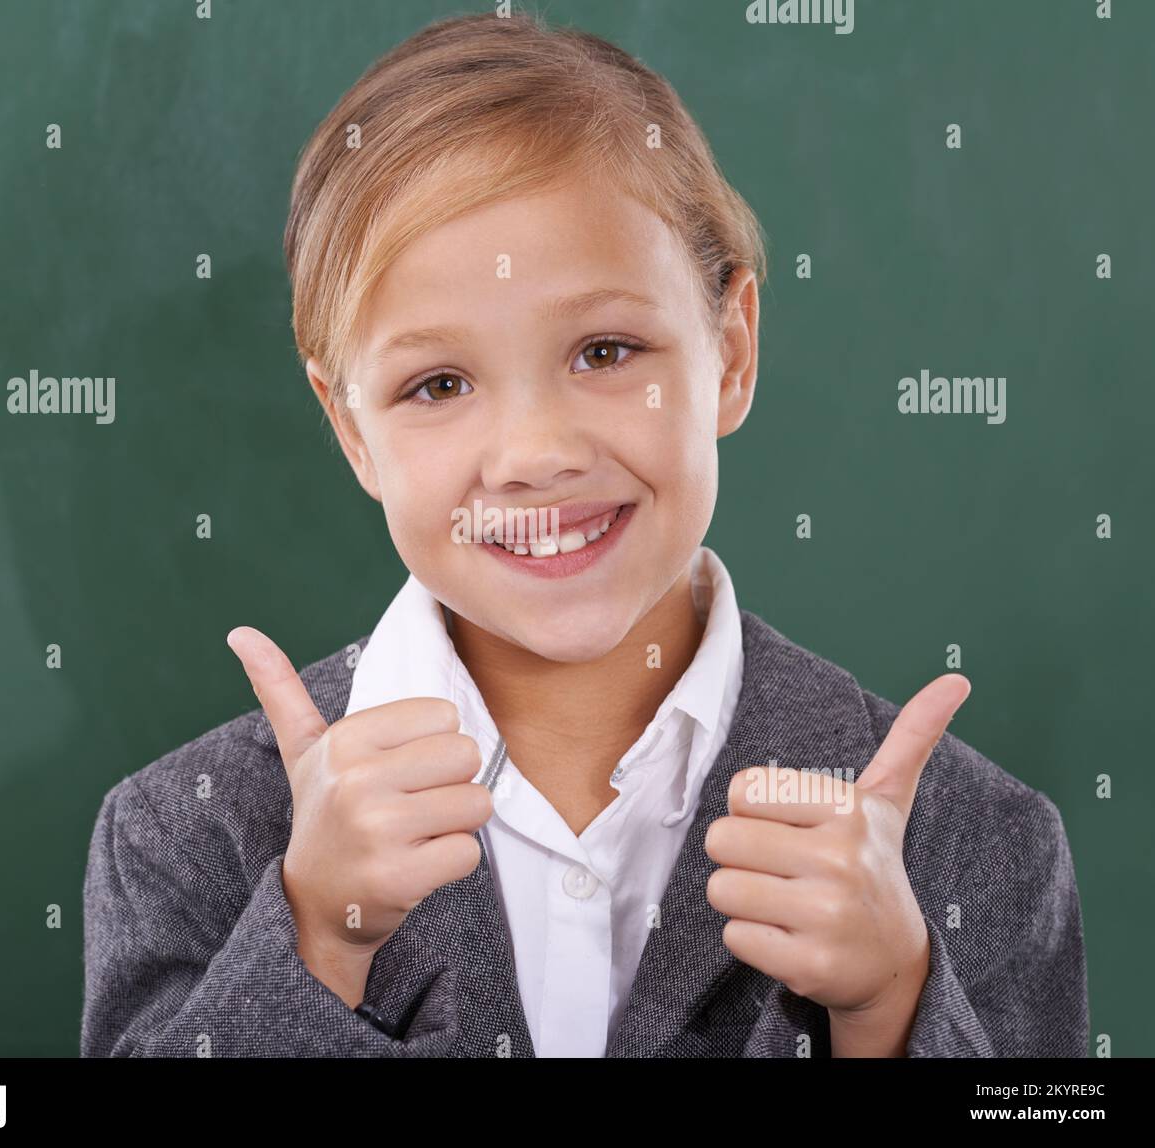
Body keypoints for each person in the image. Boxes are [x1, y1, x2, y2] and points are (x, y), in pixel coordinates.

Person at [81, 8, 1087, 1058]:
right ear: (351, 429)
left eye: (605, 351)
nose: (533, 450)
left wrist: (892, 1009)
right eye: (438, 382)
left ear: (731, 350)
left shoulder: (975, 842)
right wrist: (308, 948)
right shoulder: (190, 831)